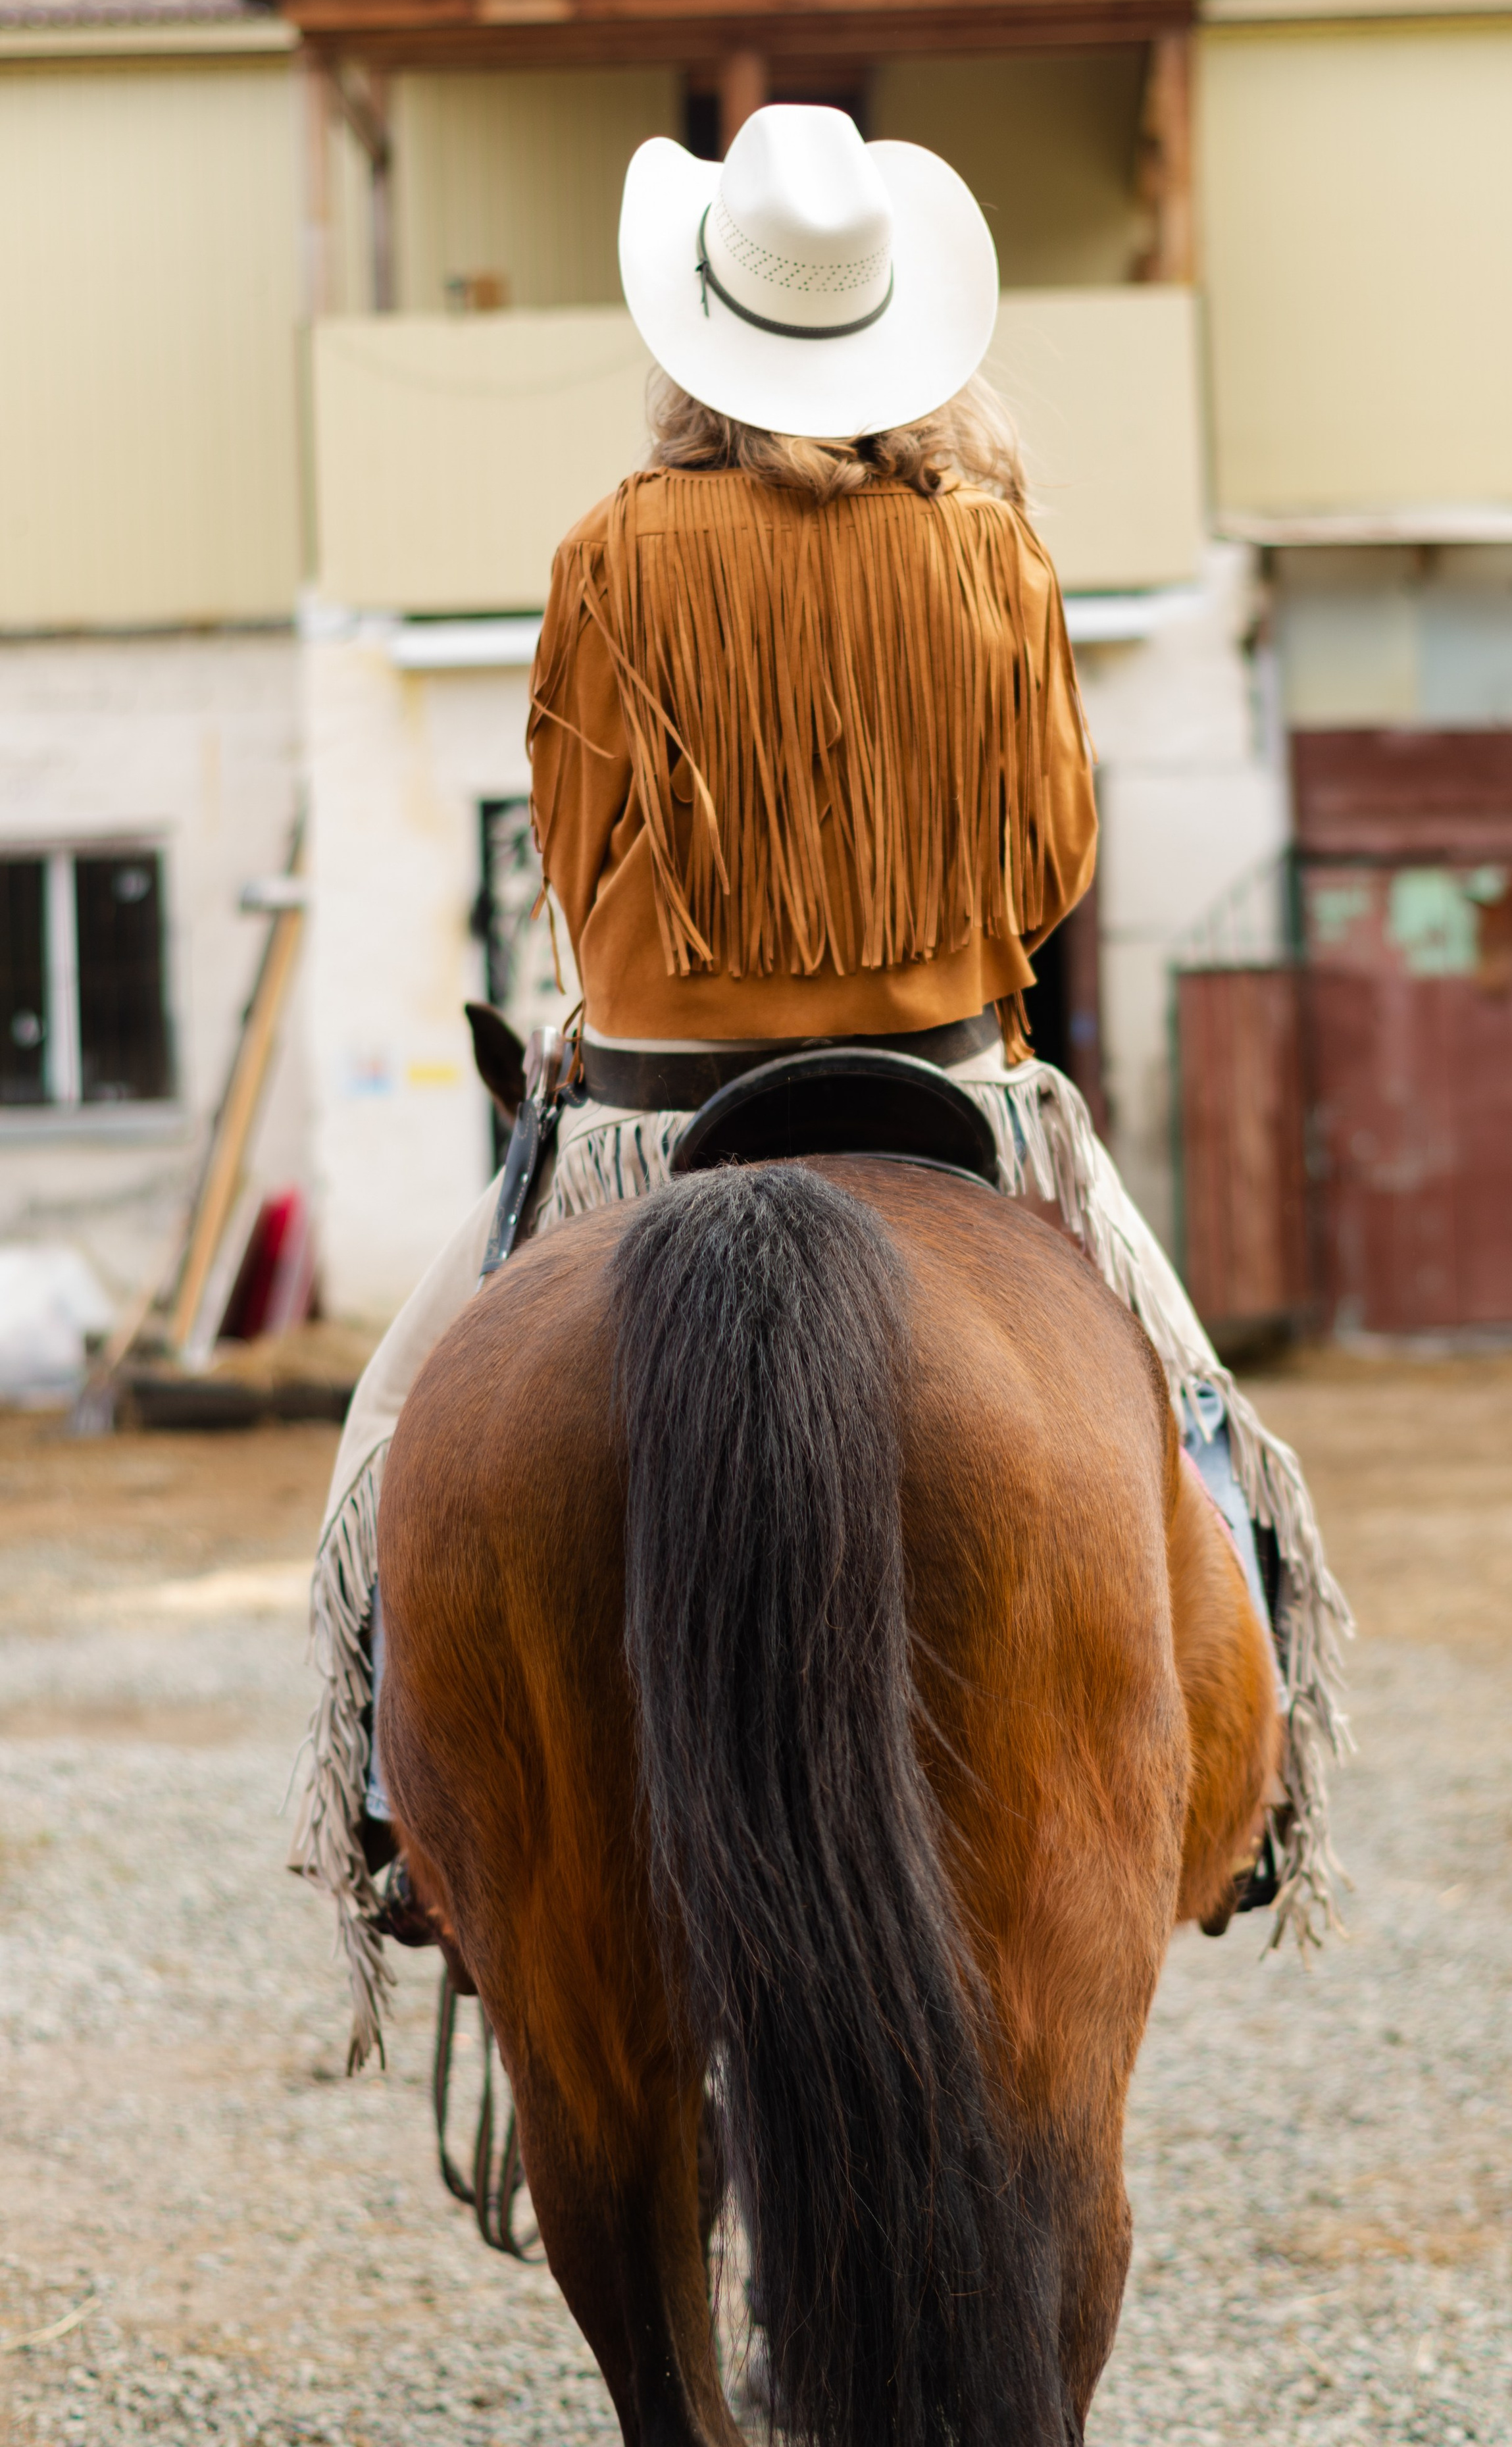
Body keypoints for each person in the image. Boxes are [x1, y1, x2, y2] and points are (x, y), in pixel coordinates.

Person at [293, 105, 1349, 2069]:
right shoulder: (994, 561)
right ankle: (1254, 1745)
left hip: (642, 1122)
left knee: (391, 1441)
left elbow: (574, 839)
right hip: (961, 1094)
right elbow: (1049, 874)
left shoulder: (609, 551)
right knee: (1197, 1413)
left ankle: (385, 1792)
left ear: (699, 332)